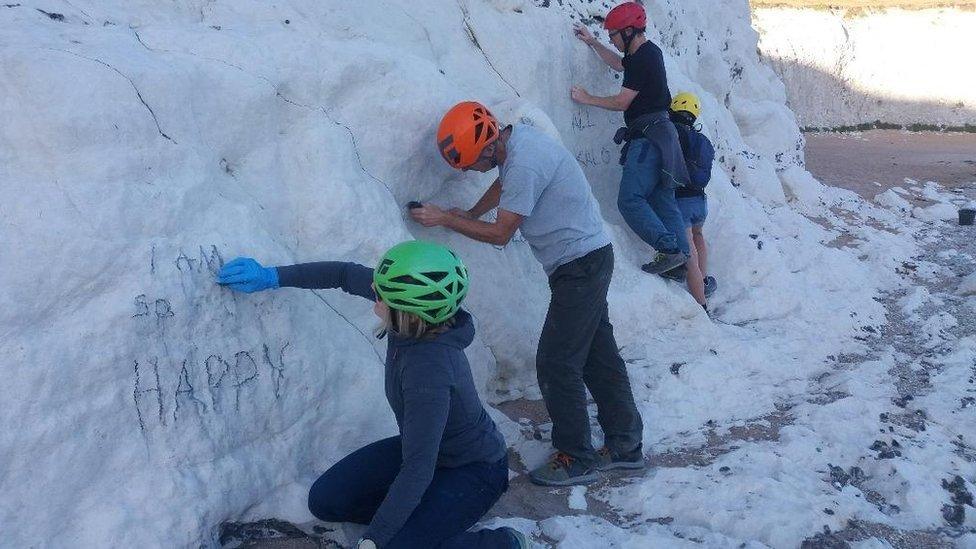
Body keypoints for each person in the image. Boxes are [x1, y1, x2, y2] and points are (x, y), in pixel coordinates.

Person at [215, 241, 530, 549]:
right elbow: (342, 274)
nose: (373, 291)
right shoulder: (416, 312)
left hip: (473, 469)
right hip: (424, 450)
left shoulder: (429, 371)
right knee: (326, 501)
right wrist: (272, 276)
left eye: (382, 292)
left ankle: (502, 541)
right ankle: (420, 520)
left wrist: (375, 539)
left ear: (407, 309)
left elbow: (418, 468)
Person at [411, 101, 644, 487]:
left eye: (470, 164)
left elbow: (502, 234)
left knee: (557, 362)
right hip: (584, 260)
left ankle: (576, 457)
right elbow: (505, 186)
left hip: (581, 267)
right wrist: (470, 213)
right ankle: (625, 444)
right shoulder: (516, 145)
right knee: (598, 356)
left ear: (488, 147)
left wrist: (448, 219)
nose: (471, 170)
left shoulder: (525, 162)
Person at [570, 1, 692, 276]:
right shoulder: (645, 55)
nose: (611, 40)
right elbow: (618, 64)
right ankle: (681, 261)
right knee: (663, 199)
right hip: (664, 137)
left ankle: (669, 250)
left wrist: (587, 98)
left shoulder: (644, 57)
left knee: (630, 199)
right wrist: (593, 43)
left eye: (612, 34)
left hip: (648, 138)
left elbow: (622, 102)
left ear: (628, 31)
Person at [660, 92, 717, 303]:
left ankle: (700, 303)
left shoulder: (672, 133)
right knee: (698, 237)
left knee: (689, 251)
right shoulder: (702, 140)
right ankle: (703, 281)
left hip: (680, 199)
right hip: (699, 201)